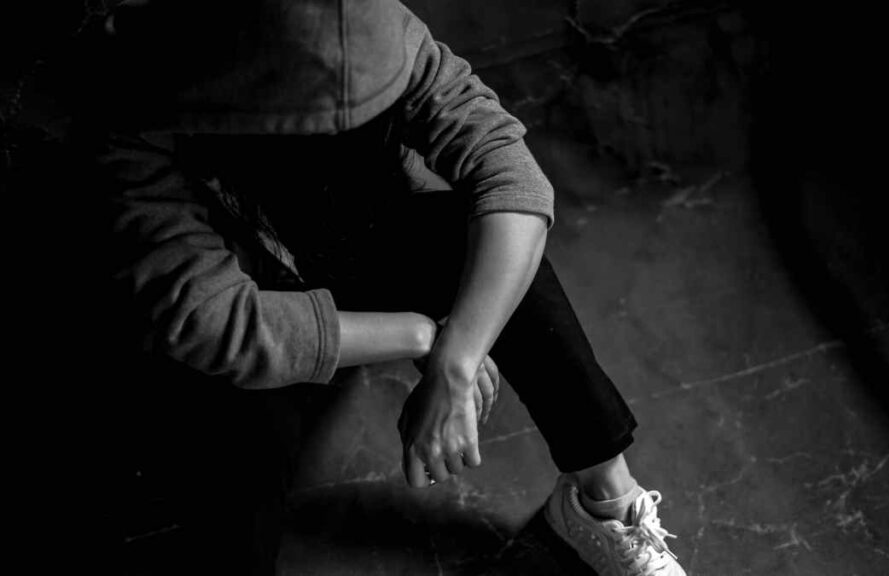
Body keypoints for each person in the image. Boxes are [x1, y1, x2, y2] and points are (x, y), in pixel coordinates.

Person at [92, 1, 685, 575]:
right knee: (235, 462)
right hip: (236, 318)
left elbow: (511, 176)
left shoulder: (374, 27)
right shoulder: (136, 104)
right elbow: (209, 320)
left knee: (470, 242)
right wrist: (420, 334)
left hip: (348, 244)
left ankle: (603, 501)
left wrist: (459, 358)